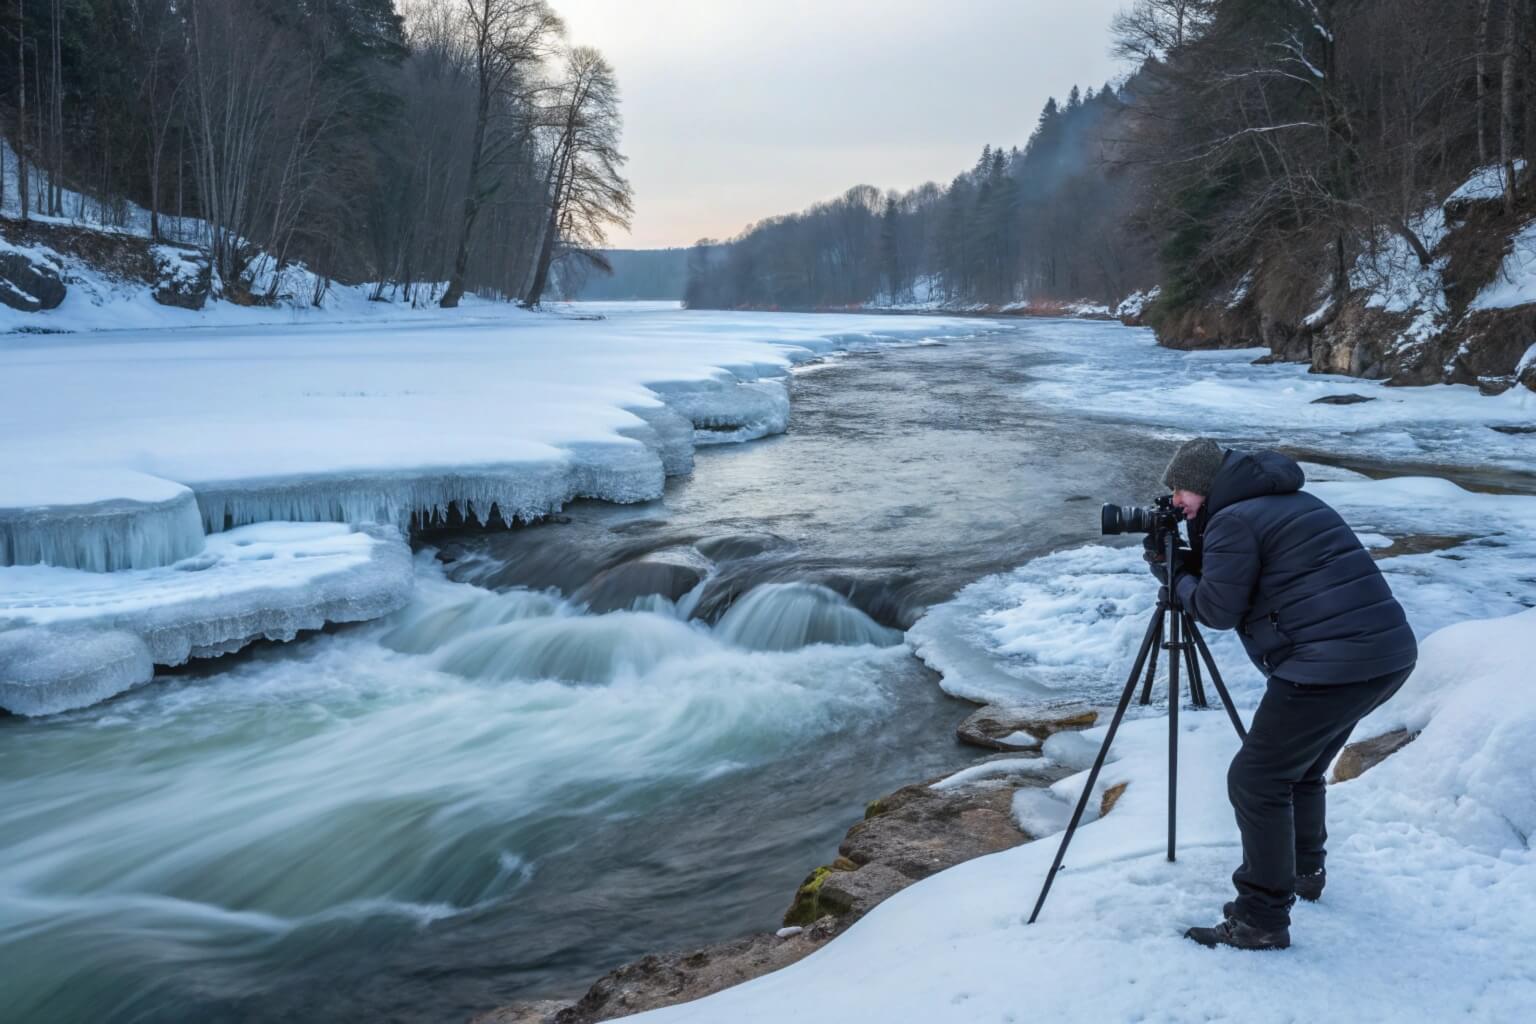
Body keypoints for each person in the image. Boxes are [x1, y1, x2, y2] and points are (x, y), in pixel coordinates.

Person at [1145, 438, 1417, 951]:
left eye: (1180, 490)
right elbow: (1246, 576)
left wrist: (1174, 574)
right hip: (1386, 656)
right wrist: (1191, 561)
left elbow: (1217, 610)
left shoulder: (1234, 521)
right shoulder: (1286, 502)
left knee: (1256, 779)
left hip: (1331, 666)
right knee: (1301, 768)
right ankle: (1303, 872)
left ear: (1205, 485)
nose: (1176, 502)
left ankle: (1261, 919)